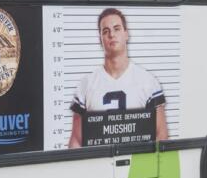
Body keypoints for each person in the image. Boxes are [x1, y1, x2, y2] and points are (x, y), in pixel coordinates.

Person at [68, 8, 169, 148]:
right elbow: (76, 141)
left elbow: (161, 135)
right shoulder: (86, 84)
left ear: (126, 34)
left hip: (137, 166)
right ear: (100, 39)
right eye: (105, 31)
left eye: (116, 29)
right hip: (97, 166)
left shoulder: (148, 82)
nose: (111, 35)